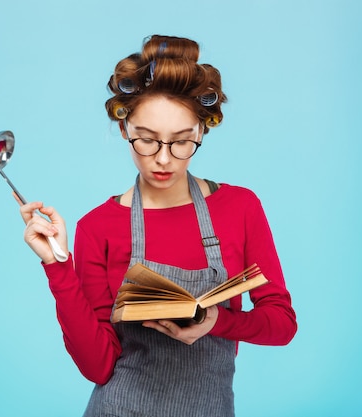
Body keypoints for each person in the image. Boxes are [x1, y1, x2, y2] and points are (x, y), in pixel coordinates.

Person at [16, 35, 297, 417]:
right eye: (146, 141)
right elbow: (96, 366)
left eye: (181, 142)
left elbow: (281, 324)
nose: (162, 159)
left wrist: (217, 321)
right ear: (124, 130)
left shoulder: (240, 208)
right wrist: (57, 266)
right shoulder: (97, 227)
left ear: (201, 131)